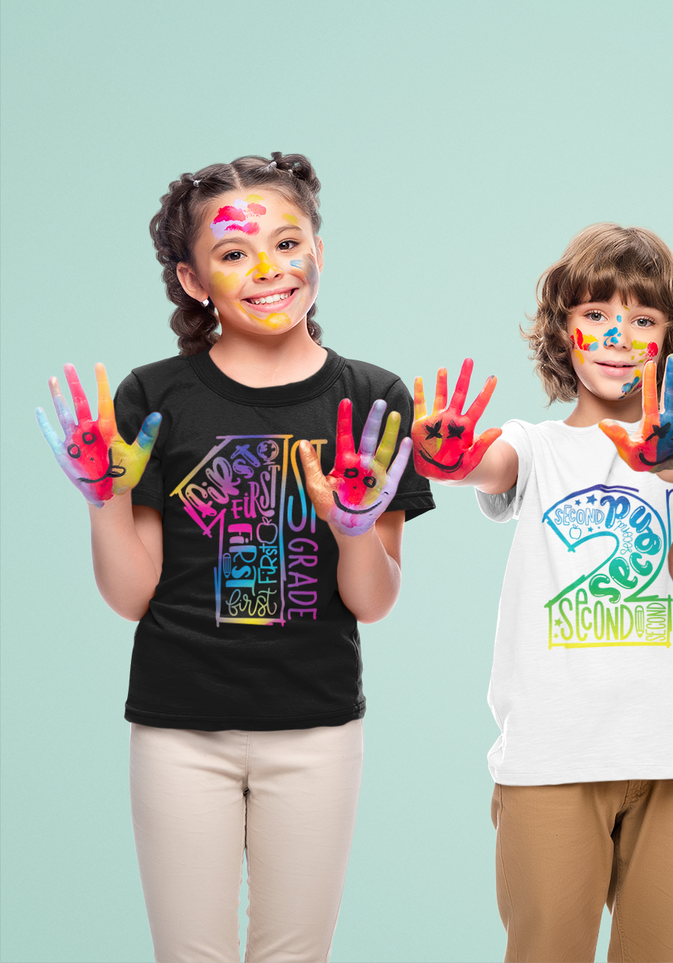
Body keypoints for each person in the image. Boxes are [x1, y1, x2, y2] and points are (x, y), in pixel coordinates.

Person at [35, 152, 433, 962]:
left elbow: (374, 601)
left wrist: (354, 524)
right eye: (232, 253)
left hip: (317, 726)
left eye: (287, 243)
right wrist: (103, 496)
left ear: (319, 249)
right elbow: (133, 594)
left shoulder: (374, 399)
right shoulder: (153, 398)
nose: (268, 269)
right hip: (178, 728)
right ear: (192, 280)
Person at [410, 224, 673, 962]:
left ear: (671, 338)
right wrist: (451, 459)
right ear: (564, 330)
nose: (617, 336)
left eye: (642, 319)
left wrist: (670, 451)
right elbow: (489, 463)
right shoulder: (536, 445)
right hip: (552, 756)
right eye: (595, 314)